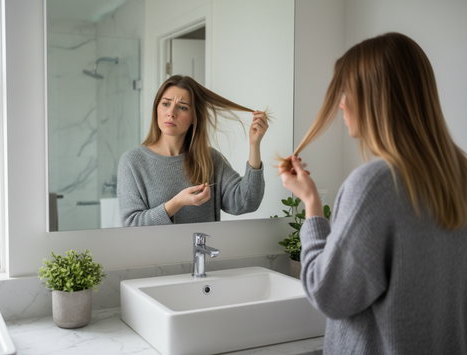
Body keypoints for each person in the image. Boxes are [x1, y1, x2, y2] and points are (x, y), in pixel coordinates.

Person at [278, 33, 467, 354]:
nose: (340, 103)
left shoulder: (375, 184)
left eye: (346, 91)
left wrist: (311, 205)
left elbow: (329, 294)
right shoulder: (459, 172)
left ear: (375, 96)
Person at [118, 75, 269, 227]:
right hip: (155, 252)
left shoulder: (210, 159)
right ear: (156, 108)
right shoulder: (132, 161)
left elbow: (246, 202)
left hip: (202, 251)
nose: (171, 113)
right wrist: (177, 203)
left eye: (182, 107)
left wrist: (254, 145)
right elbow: (131, 224)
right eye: (165, 104)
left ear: (194, 118)